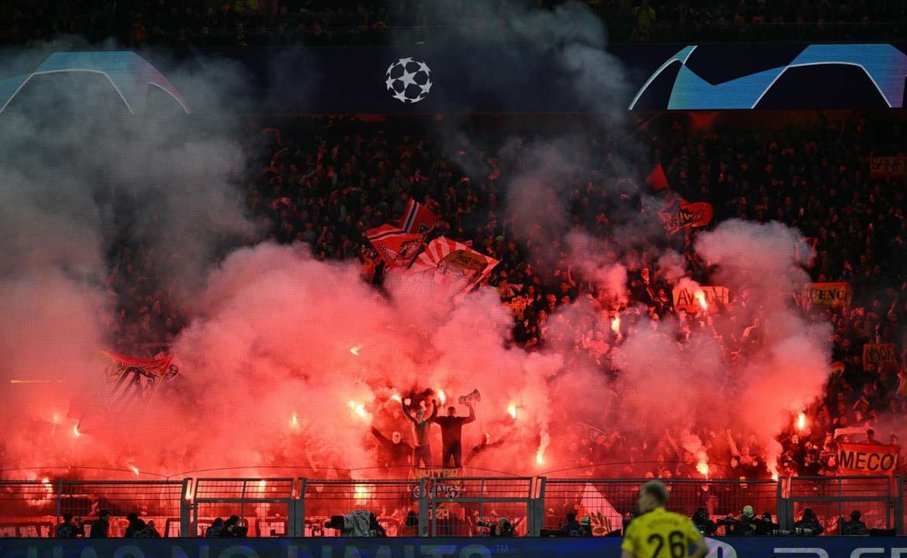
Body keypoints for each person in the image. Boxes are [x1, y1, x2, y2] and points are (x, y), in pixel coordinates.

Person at [620, 480, 708, 558]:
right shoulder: (682, 521)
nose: (639, 501)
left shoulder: (637, 525)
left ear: (651, 499)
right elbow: (703, 548)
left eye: (642, 497)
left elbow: (626, 556)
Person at [432, 401, 476, 469]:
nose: (451, 412)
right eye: (451, 411)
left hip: (450, 446)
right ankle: (456, 479)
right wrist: (470, 406)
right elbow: (472, 418)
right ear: (455, 413)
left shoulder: (444, 420)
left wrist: (435, 406)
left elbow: (432, 417)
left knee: (448, 465)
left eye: (451, 411)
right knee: (456, 465)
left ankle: (447, 479)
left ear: (448, 413)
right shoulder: (456, 420)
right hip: (452, 446)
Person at [403, 399, 437, 469]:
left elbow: (434, 414)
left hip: (426, 448)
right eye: (418, 414)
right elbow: (405, 413)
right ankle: (416, 480)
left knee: (429, 467)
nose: (419, 415)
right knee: (415, 467)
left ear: (423, 415)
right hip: (417, 448)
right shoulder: (413, 422)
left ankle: (429, 479)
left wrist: (434, 404)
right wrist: (402, 402)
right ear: (416, 415)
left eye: (421, 414)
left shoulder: (427, 422)